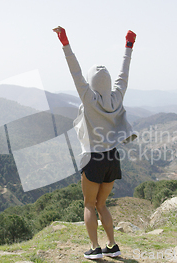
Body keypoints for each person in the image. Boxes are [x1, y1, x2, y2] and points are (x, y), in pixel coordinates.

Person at [53, 26, 138, 259]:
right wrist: (128, 46)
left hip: (93, 158)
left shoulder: (89, 99)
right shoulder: (117, 96)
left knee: (89, 205)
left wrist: (65, 42)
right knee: (102, 204)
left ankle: (95, 249)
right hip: (112, 158)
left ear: (91, 83)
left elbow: (75, 72)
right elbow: (124, 74)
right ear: (108, 82)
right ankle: (112, 245)